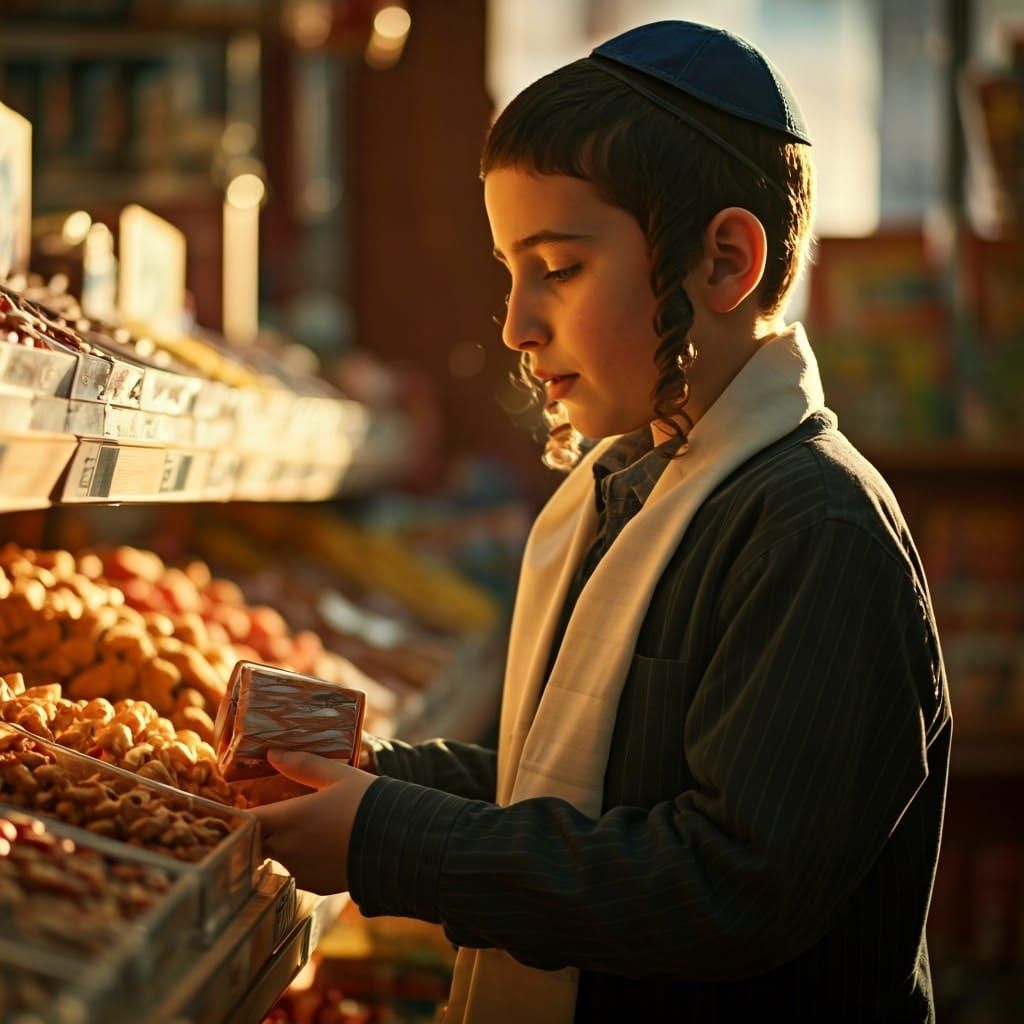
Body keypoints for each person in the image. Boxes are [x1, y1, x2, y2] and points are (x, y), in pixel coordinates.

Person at [253, 20, 951, 1024]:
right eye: (510, 271)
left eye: (558, 268)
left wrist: (392, 841)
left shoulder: (813, 528)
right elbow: (588, 788)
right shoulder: (629, 487)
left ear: (722, 261)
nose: (514, 324)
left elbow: (727, 888)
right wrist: (378, 779)